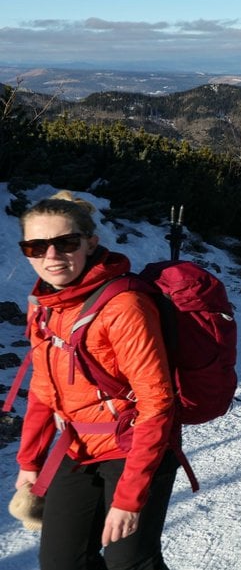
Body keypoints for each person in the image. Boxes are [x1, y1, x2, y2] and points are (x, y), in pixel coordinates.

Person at [14, 191, 179, 569]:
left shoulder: (124, 306)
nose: (51, 256)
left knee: (129, 561)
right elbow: (43, 388)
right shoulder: (43, 306)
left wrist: (129, 499)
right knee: (61, 562)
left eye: (66, 243)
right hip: (77, 446)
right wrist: (29, 461)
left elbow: (157, 402)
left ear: (90, 243)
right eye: (36, 247)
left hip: (134, 445)